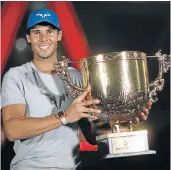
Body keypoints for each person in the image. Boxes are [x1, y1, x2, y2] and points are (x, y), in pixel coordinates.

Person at [1, 8, 151, 170]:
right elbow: (12, 129)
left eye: (49, 31)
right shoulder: (16, 77)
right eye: (37, 32)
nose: (43, 38)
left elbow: (91, 134)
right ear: (28, 38)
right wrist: (64, 117)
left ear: (59, 35)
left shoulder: (76, 78)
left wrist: (122, 121)